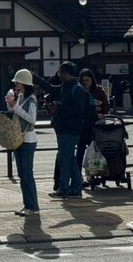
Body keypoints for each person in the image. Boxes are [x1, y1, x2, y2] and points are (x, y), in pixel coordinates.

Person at [31, 61, 88, 199]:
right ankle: (76, 187)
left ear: (66, 73)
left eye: (60, 72)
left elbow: (80, 110)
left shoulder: (77, 89)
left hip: (70, 129)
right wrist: (35, 77)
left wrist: (60, 107)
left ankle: (64, 189)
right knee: (70, 159)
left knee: (64, 159)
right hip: (64, 128)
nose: (59, 74)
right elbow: (50, 88)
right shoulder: (66, 86)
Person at [5, 68, 40, 216]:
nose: (15, 85)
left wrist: (16, 106)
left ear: (24, 83)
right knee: (22, 174)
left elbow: (32, 119)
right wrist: (10, 101)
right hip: (20, 139)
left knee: (27, 174)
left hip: (28, 139)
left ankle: (33, 207)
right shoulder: (22, 96)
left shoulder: (31, 98)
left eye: (17, 82)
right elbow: (14, 111)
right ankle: (28, 205)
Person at [75, 68, 110, 181]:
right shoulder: (78, 90)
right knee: (80, 151)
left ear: (92, 80)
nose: (85, 82)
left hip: (96, 125)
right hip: (82, 125)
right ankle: (78, 175)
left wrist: (100, 110)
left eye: (87, 80)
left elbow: (106, 106)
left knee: (95, 150)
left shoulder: (99, 90)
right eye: (83, 80)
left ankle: (93, 174)